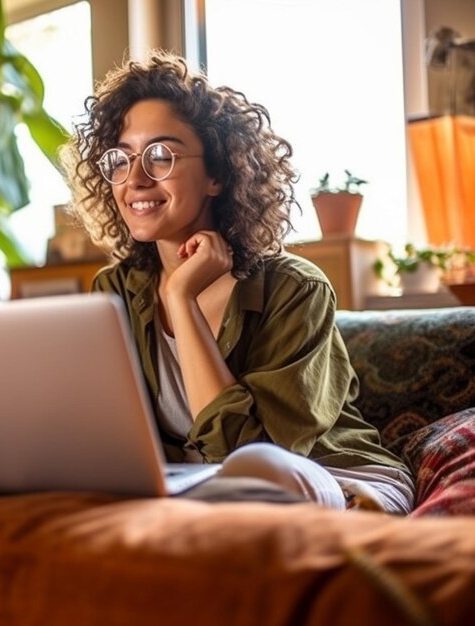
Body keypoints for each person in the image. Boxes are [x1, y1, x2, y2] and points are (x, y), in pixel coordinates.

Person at [65, 51, 414, 514]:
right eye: (121, 159)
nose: (136, 179)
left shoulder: (296, 289)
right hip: (199, 488)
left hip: (327, 477)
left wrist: (181, 297)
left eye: (161, 156)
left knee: (260, 476)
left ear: (217, 174)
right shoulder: (115, 292)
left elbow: (252, 453)